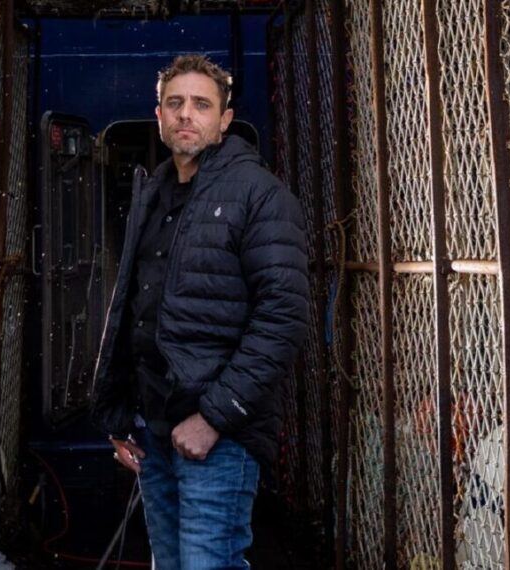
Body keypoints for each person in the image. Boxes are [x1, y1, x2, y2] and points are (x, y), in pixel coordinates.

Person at [90, 54, 309, 569]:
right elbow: (132, 311)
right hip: (153, 428)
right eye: (176, 103)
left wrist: (212, 418)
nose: (187, 114)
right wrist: (121, 417)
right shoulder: (154, 193)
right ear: (160, 115)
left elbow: (283, 318)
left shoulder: (260, 196)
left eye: (202, 105)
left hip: (218, 437)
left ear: (224, 120)